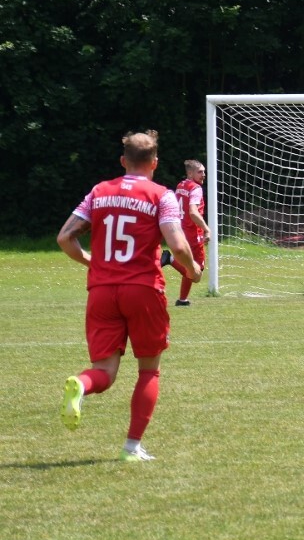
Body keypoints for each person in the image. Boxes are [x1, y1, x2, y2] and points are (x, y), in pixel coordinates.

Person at [57, 130, 202, 462]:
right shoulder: (160, 195)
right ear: (154, 162)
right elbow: (177, 246)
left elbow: (65, 237)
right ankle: (132, 447)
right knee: (148, 370)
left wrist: (90, 261)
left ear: (123, 161)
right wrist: (192, 270)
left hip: (102, 291)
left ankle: (82, 383)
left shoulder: (99, 191)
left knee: (104, 371)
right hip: (143, 289)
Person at [161, 159, 210, 306]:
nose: (203, 174)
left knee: (190, 265)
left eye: (204, 171)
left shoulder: (180, 185)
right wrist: (207, 229)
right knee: (197, 273)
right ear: (190, 173)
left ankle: (182, 299)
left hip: (181, 230)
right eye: (200, 172)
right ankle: (169, 259)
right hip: (193, 232)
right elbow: (193, 212)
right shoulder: (196, 188)